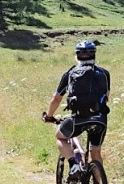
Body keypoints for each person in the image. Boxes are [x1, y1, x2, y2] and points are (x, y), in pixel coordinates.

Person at [41, 40, 110, 176]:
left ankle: (73, 165)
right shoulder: (104, 73)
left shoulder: (70, 74)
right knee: (95, 152)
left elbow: (56, 99)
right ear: (94, 55)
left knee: (60, 137)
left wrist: (49, 116)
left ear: (77, 55)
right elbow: (106, 97)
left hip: (78, 118)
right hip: (99, 118)